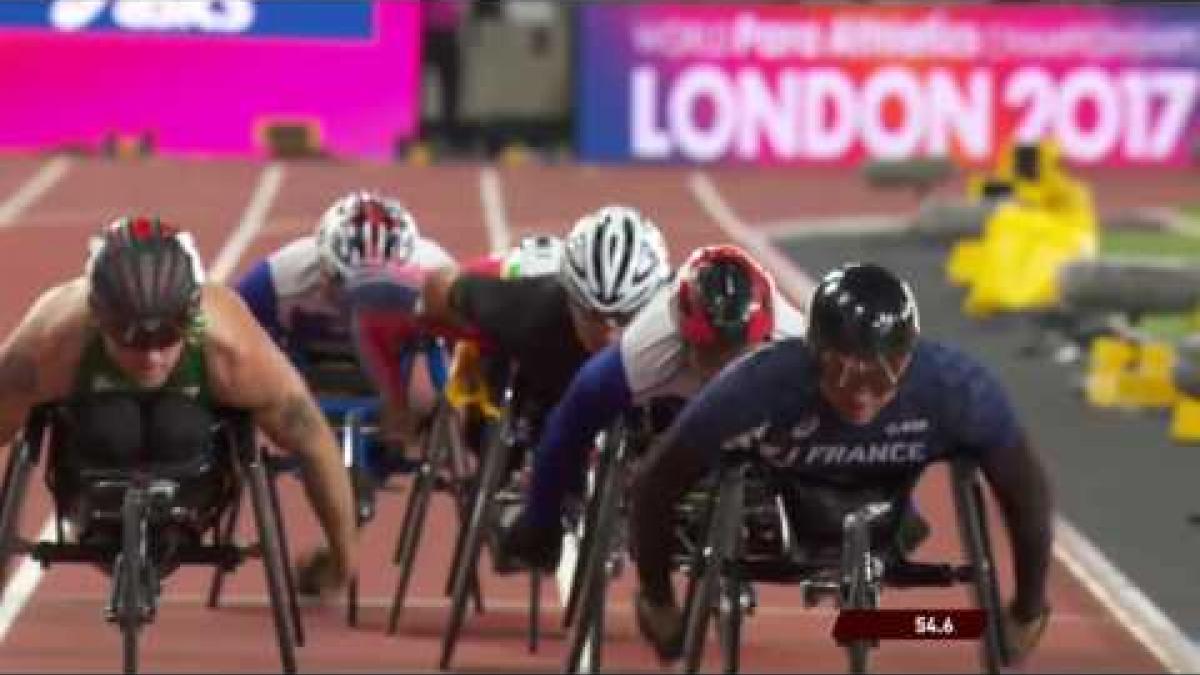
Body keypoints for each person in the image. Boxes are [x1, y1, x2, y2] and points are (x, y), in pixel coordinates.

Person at [629, 262, 1054, 665]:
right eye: (840, 371)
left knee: (951, 621)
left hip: (893, 506)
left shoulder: (957, 389)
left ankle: (910, 608)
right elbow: (658, 481)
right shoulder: (758, 384)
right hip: (795, 506)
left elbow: (1025, 490)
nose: (861, 394)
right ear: (813, 352)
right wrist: (658, 596)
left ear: (910, 355)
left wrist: (1028, 606)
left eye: (883, 375)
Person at [0, 216, 358, 591]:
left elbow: (313, 440)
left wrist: (342, 561)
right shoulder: (53, 343)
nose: (152, 358)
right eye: (132, 341)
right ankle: (99, 521)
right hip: (87, 470)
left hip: (194, 478)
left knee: (178, 427)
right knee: (113, 427)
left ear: (190, 321)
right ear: (100, 322)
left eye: (167, 338)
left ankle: (171, 522)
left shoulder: (232, 350)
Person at [346, 205, 672, 567]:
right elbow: (439, 290)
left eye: (625, 318)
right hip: (544, 396)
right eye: (593, 316)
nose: (609, 333)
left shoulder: (675, 316)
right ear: (570, 298)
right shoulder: (529, 306)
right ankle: (525, 509)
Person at [494, 244, 809, 570]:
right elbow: (567, 429)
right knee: (573, 421)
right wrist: (541, 519)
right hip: (675, 385)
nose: (723, 371)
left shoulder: (798, 342)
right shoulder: (647, 346)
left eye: (735, 352)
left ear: (764, 337)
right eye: (713, 353)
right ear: (684, 334)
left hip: (757, 389)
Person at [236, 191, 456, 515]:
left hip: (393, 365)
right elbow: (229, 326)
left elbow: (469, 340)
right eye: (346, 289)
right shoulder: (280, 276)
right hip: (307, 369)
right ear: (321, 267)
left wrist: (449, 407)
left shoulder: (435, 273)